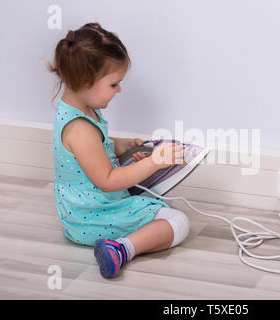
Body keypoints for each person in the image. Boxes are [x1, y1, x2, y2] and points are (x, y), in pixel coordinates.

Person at [43, 22, 190, 279]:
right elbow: (108, 181)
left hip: (85, 212)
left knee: (158, 203)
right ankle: (121, 249)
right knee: (178, 222)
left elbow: (94, 147)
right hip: (91, 216)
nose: (119, 90)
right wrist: (155, 162)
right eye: (114, 84)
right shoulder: (79, 127)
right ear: (86, 81)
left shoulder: (81, 111)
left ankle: (123, 240)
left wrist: (121, 145)